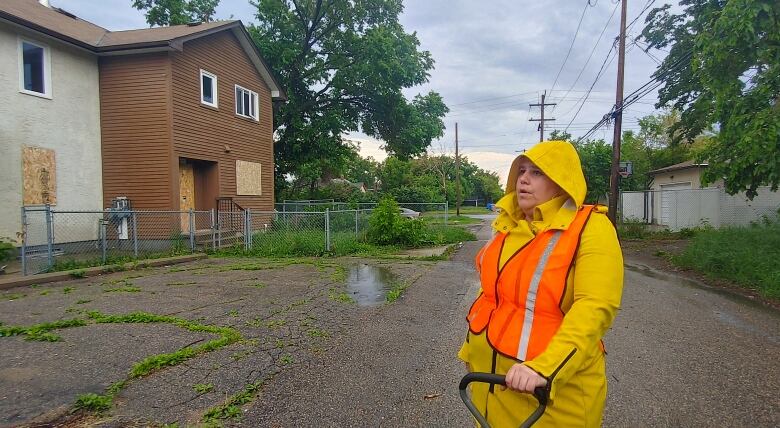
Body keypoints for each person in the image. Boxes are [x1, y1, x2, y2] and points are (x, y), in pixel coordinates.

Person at [458, 140, 624, 427]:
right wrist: (472, 350)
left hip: (548, 397)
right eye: (521, 171)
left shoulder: (591, 227)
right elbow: (493, 297)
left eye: (537, 172)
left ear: (561, 182)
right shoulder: (508, 228)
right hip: (489, 387)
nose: (523, 178)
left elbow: (595, 306)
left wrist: (545, 368)